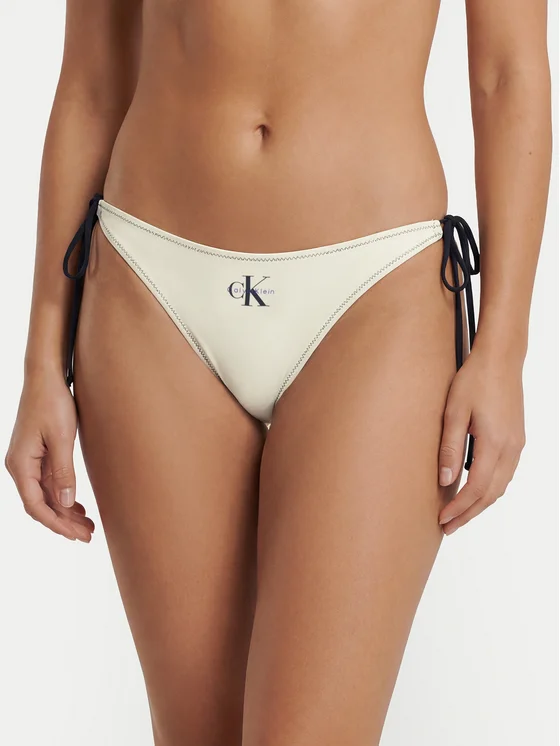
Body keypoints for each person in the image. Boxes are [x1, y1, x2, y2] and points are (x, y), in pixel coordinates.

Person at [4, 2, 552, 745]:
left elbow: (507, 72)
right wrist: (42, 359)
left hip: (375, 290)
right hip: (152, 284)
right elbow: (91, 80)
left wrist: (505, 349)